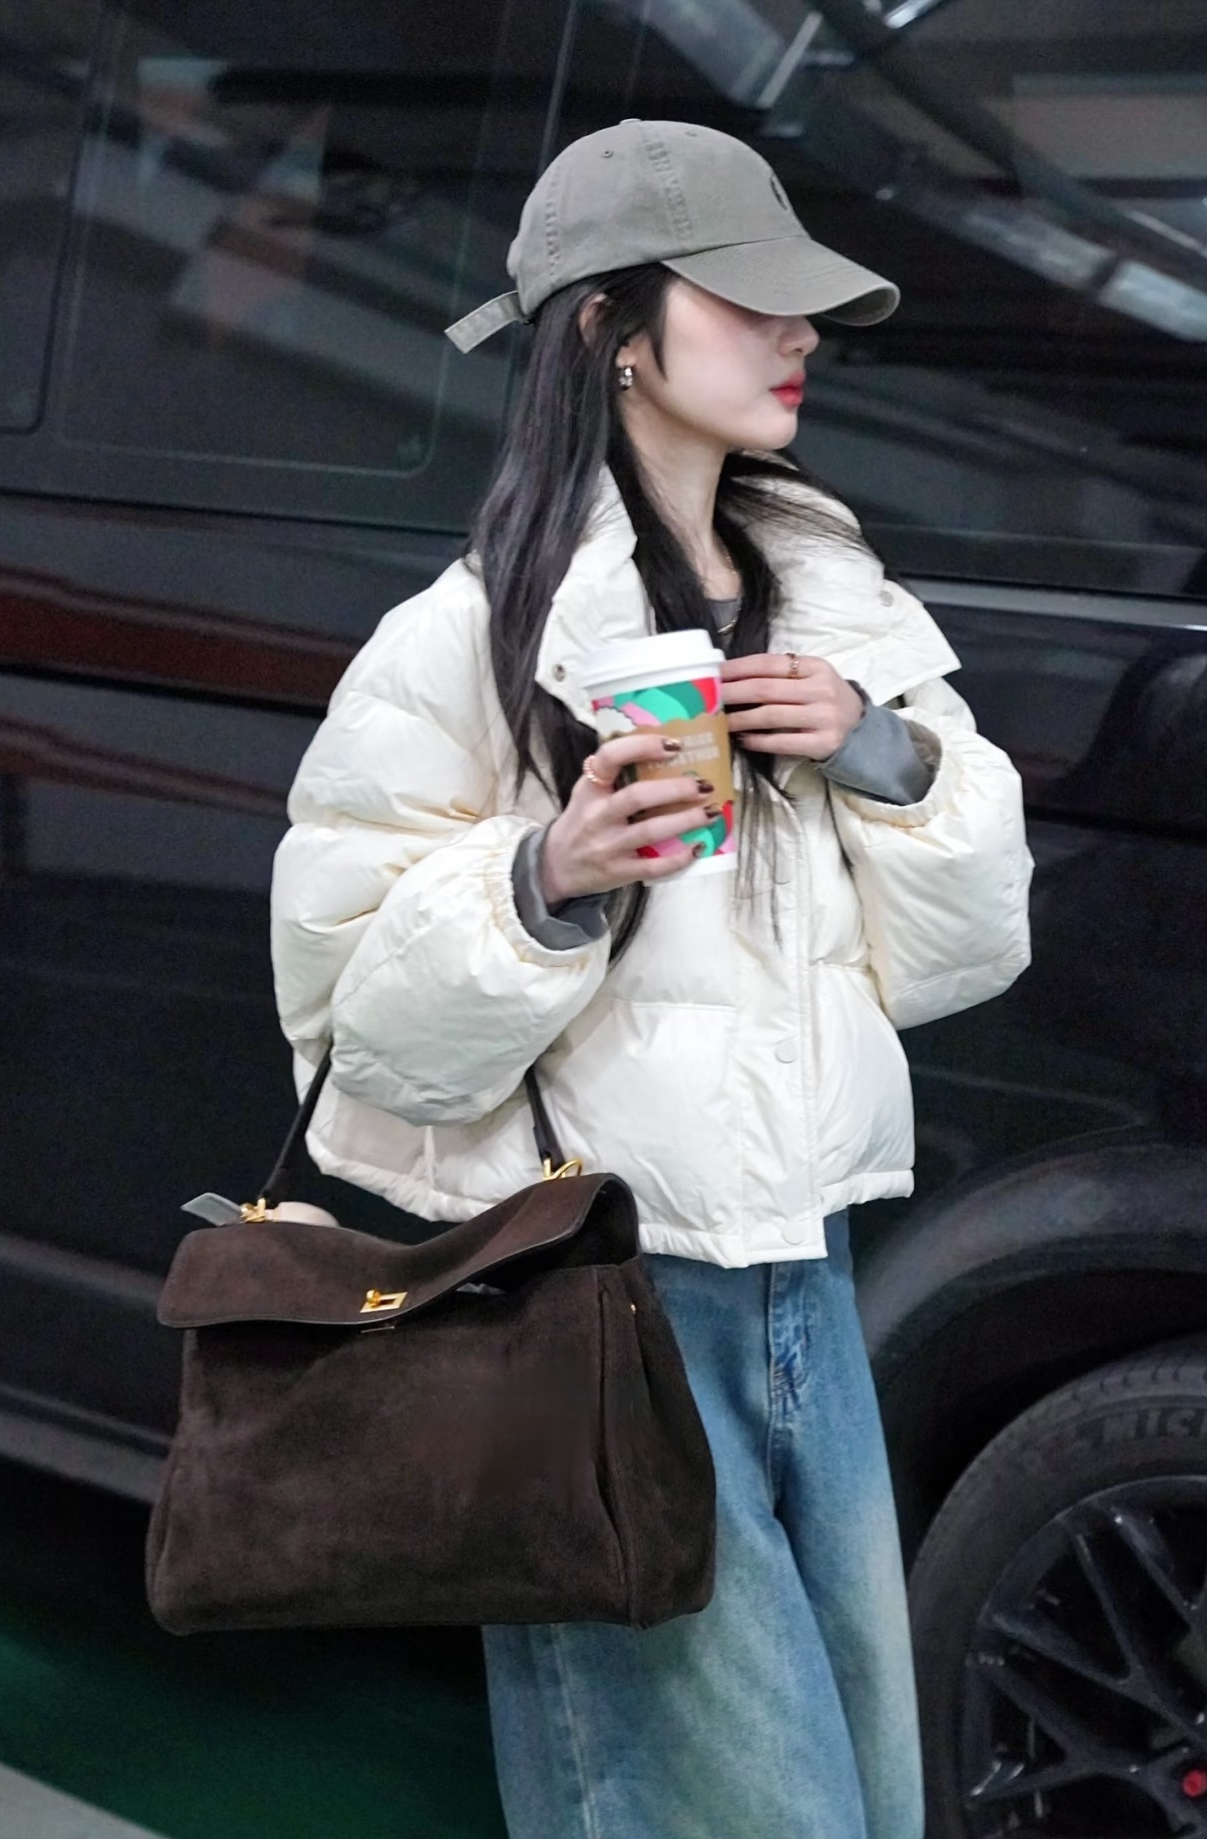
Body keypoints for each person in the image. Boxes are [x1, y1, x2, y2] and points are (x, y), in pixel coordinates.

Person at [270, 120, 1032, 1839]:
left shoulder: (837, 614)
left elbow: (963, 955)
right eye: (748, 300)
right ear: (613, 327)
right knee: (716, 1810)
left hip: (807, 1274)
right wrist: (543, 880)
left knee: (859, 1792)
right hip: (606, 1299)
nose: (798, 334)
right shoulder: (466, 639)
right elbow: (357, 1040)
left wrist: (883, 754)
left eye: (800, 305)